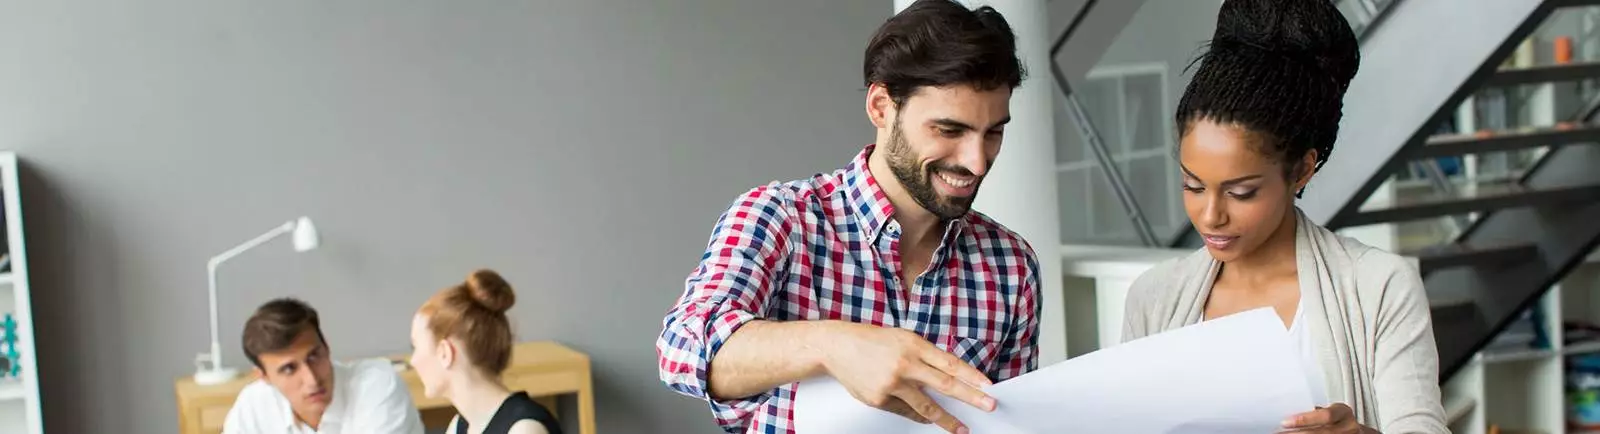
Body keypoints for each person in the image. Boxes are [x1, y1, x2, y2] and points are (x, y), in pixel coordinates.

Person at [654, 1, 1041, 433]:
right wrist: (834, 344)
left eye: (993, 133)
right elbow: (682, 348)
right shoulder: (781, 218)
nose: (977, 162)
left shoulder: (1012, 266)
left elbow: (1010, 422)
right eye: (949, 130)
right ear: (880, 106)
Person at [1119, 0, 1447, 433]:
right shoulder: (1153, 299)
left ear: (1302, 170)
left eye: (1241, 192)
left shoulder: (1377, 287)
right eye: (1192, 186)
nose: (1210, 216)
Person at [223, 298, 424, 434]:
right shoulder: (253, 405)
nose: (312, 380)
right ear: (264, 377)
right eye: (289, 369)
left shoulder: (376, 384)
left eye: (314, 356)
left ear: (326, 346)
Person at [408, 269, 561, 434]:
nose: (413, 361)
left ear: (445, 353)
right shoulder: (459, 426)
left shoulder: (524, 429)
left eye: (416, 347)